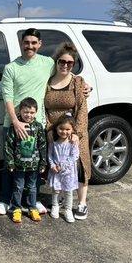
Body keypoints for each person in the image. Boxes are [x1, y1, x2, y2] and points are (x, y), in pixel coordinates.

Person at [0, 28, 54, 216]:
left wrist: (82, 83)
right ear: (21, 44)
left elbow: (64, 74)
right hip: (13, 125)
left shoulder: (48, 63)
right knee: (10, 164)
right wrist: (15, 122)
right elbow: (8, 97)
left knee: (35, 166)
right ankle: (5, 201)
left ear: (40, 44)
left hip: (37, 125)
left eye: (34, 43)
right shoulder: (11, 68)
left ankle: (32, 202)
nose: (30, 46)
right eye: (26, 42)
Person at [44, 42, 90, 220]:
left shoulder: (77, 82)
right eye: (62, 61)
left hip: (74, 134)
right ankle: (61, 200)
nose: (65, 65)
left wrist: (76, 134)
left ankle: (82, 203)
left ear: (73, 65)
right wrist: (49, 130)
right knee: (57, 167)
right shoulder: (47, 82)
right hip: (54, 133)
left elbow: (82, 109)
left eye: (69, 63)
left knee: (78, 167)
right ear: (56, 62)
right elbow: (43, 108)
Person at [4, 97, 47, 223]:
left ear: (36, 112)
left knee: (32, 187)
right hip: (19, 165)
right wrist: (10, 162)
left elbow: (42, 145)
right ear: (21, 111)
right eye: (26, 112)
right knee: (18, 186)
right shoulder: (15, 127)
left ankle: (32, 207)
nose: (29, 115)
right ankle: (16, 208)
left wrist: (43, 162)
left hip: (34, 165)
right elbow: (8, 145)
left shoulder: (38, 127)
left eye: (32, 112)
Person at [47, 113, 80, 223]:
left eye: (67, 129)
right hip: (56, 171)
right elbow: (50, 155)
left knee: (68, 191)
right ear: (57, 128)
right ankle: (55, 206)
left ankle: (68, 209)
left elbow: (74, 156)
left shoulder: (72, 142)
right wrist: (52, 165)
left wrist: (63, 166)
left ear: (72, 129)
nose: (64, 131)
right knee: (56, 190)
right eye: (61, 128)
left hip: (68, 172)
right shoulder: (54, 142)